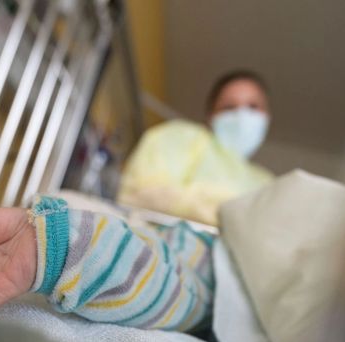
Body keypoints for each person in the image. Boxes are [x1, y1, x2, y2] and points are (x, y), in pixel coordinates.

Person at [0, 195, 215, 332]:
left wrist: (58, 247)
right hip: (174, 239)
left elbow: (181, 298)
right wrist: (54, 245)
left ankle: (68, 244)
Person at [117, 70, 274, 225]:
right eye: (229, 107)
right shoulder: (180, 138)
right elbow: (139, 194)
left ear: (267, 117)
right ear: (211, 117)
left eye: (253, 107)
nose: (242, 116)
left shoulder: (268, 183)